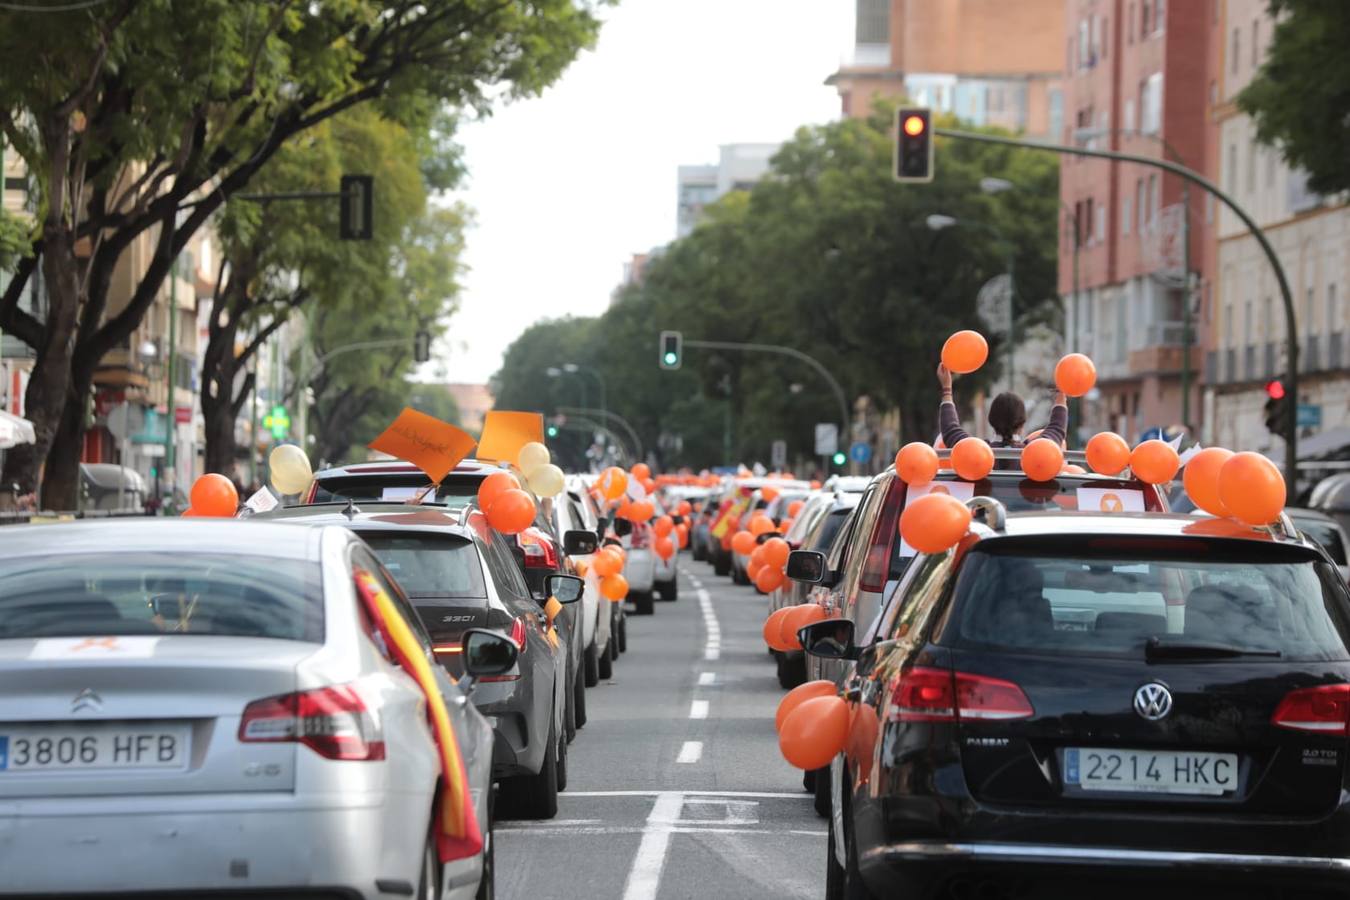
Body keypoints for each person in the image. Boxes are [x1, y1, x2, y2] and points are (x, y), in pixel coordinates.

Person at [937, 363, 1068, 450]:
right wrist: (1062, 391)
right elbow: (1057, 428)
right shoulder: (1036, 454)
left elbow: (950, 430)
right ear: (1022, 424)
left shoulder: (978, 453)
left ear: (991, 421)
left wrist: (947, 388)